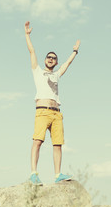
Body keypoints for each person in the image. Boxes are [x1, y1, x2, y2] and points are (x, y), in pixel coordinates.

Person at [24, 21, 80, 185]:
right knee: (37, 141)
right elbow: (31, 51)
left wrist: (75, 51)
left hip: (56, 114)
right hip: (42, 111)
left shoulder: (56, 74)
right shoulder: (38, 71)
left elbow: (67, 64)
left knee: (58, 144)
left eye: (54, 58)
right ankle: (34, 174)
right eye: (49, 57)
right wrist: (27, 35)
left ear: (56, 62)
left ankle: (57, 175)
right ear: (45, 60)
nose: (51, 59)